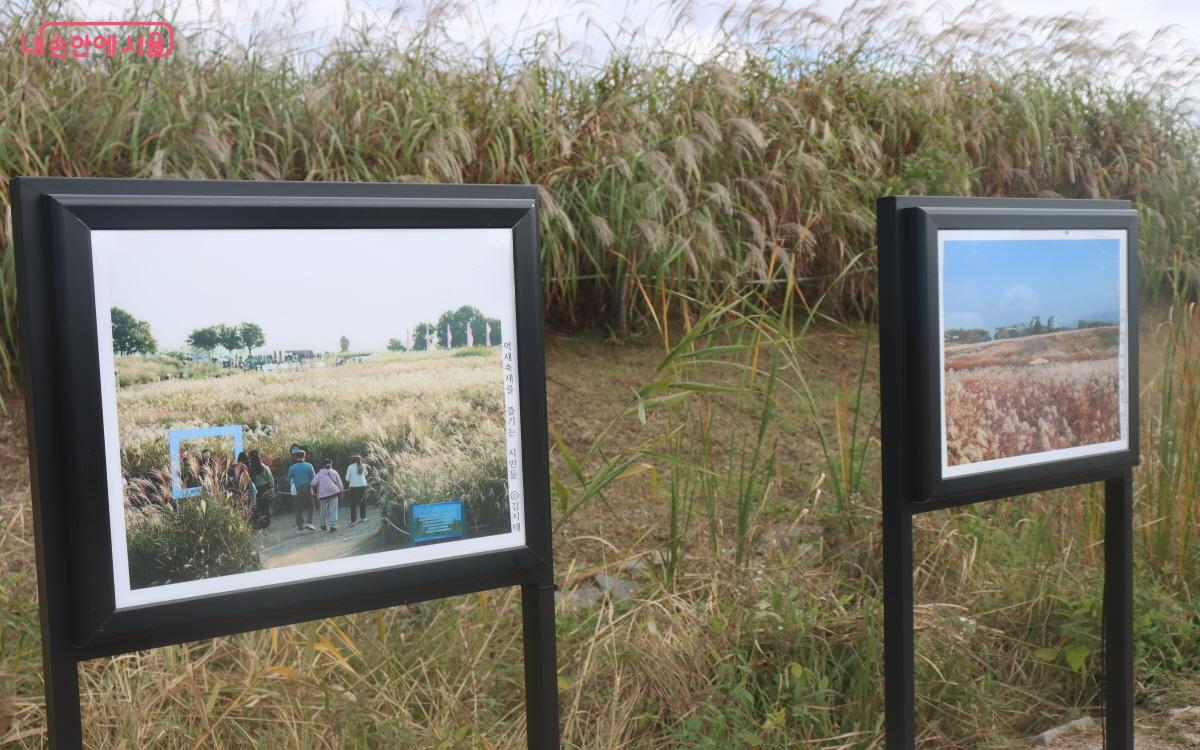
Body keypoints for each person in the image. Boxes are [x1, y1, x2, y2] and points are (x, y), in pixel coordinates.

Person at [311, 459, 344, 533]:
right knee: (333, 509)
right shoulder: (334, 472)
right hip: (333, 492)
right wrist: (341, 492)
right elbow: (340, 484)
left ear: (323, 465)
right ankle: (332, 526)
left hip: (322, 494)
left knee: (323, 510)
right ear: (331, 465)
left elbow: (313, 483)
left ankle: (323, 525)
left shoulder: (319, 473)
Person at [288, 450, 317, 531]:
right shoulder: (309, 466)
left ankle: (300, 528)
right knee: (311, 505)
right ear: (304, 456)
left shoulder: (292, 467)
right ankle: (309, 522)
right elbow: (313, 478)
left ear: (296, 457)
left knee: (298, 508)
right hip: (308, 488)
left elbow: (289, 479)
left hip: (297, 490)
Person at [249, 450, 274, 530]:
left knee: (257, 507)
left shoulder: (250, 469)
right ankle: (266, 523)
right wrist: (272, 489)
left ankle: (258, 524)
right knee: (265, 507)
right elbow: (270, 479)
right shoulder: (265, 468)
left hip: (256, 490)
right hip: (266, 488)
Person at [345, 454, 368, 525]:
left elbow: (347, 478)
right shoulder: (363, 466)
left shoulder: (350, 467)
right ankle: (363, 518)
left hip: (353, 486)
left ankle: (354, 520)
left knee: (353, 503)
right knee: (363, 501)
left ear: (353, 460)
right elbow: (366, 474)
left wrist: (352, 480)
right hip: (363, 485)